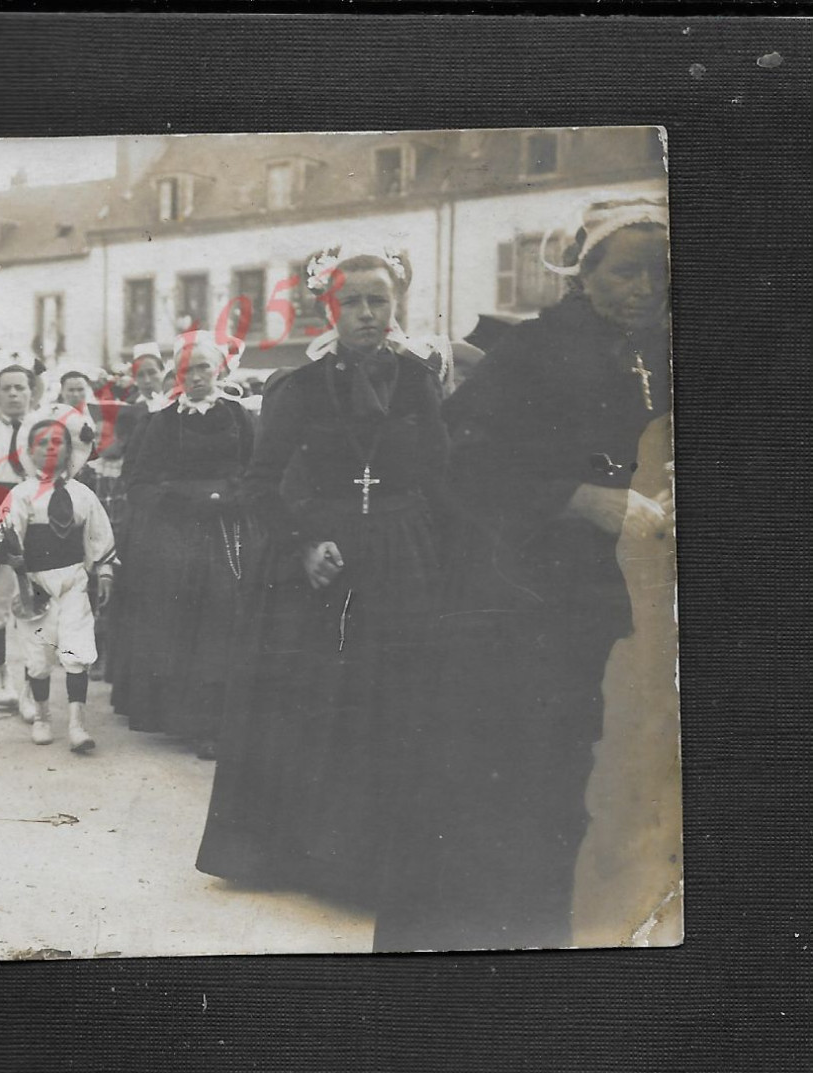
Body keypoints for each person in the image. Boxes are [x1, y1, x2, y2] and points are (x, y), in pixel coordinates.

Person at [373, 200, 673, 951]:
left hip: (625, 610)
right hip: (524, 606)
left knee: (589, 796)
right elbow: (462, 463)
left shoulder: (658, 352)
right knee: (517, 794)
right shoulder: (535, 349)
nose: (646, 288)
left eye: (660, 274)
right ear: (583, 270)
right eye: (627, 271)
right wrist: (576, 498)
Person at [195, 247, 450, 907]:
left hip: (401, 558)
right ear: (330, 310)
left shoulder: (420, 379)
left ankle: (376, 861)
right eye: (353, 303)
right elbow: (260, 486)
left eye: (379, 301)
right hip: (324, 567)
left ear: (397, 306)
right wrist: (303, 544)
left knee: (392, 703)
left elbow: (439, 479)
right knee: (322, 703)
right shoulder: (296, 389)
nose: (367, 314)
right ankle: (311, 855)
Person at [109, 331, 255, 755]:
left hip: (231, 530)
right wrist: (183, 502)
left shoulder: (240, 416)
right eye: (188, 370)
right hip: (175, 533)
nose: (196, 377)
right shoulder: (162, 422)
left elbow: (259, 468)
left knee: (224, 619)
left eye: (204, 367)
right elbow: (138, 481)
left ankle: (222, 719)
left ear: (220, 370)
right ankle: (189, 720)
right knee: (180, 620)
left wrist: (229, 497)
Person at [0, 404, 116, 751]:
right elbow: (5, 533)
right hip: (35, 583)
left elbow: (99, 535)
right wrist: (11, 557)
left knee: (77, 649)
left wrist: (105, 571)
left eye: (57, 442)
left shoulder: (82, 494)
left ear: (70, 449)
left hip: (73, 580)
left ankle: (78, 723)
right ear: (29, 451)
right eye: (41, 443)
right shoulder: (20, 495)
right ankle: (42, 715)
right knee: (39, 654)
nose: (50, 448)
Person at [0, 349, 46, 711]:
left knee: (35, 604)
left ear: (32, 392)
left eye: (21, 387)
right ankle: (3, 676)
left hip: (36, 519)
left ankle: (33, 686)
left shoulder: (44, 430)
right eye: (7, 389)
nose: (15, 394)